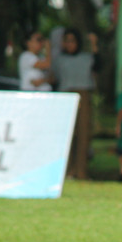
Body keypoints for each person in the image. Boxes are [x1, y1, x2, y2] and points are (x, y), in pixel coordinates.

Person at [52, 28, 99, 180]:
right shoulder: (59, 59)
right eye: (66, 41)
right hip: (65, 94)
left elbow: (98, 65)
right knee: (66, 134)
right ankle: (67, 171)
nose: (69, 44)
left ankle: (81, 171)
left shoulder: (86, 58)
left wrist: (94, 44)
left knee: (83, 134)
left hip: (83, 94)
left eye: (72, 40)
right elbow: (55, 77)